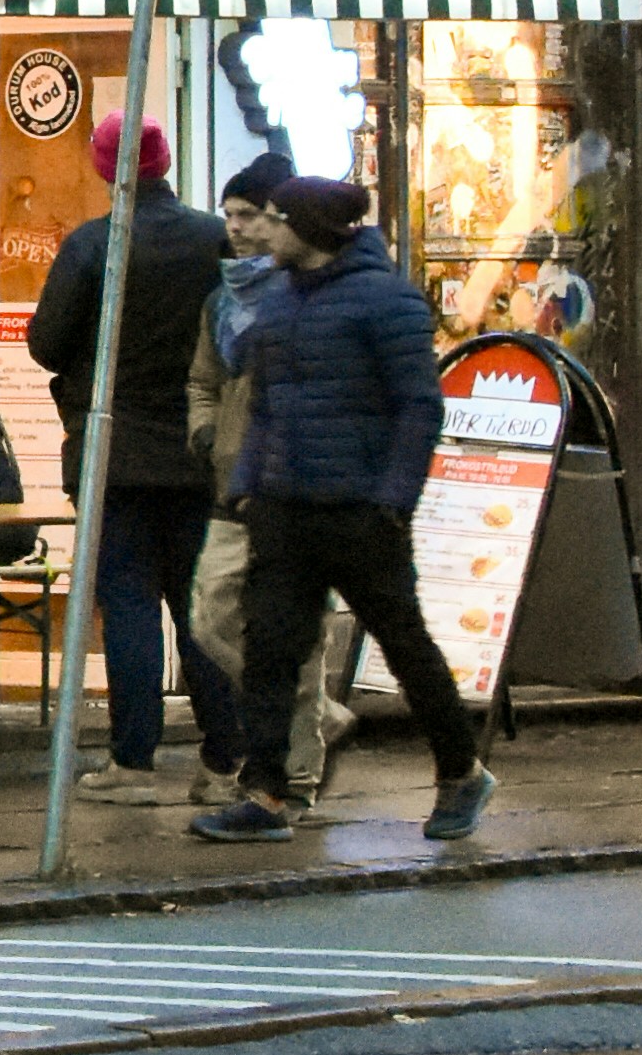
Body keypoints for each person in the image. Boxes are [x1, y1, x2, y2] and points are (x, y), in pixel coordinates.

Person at [193, 173, 487, 846]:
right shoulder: (281, 301)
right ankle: (266, 794)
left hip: (357, 508)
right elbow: (264, 402)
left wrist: (392, 500)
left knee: (404, 645)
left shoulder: (386, 301)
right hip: (284, 506)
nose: (260, 231)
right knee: (269, 650)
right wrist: (248, 482)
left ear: (309, 231)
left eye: (275, 220)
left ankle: (461, 772)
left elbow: (420, 405)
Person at [24, 112, 237, 781]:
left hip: (113, 455)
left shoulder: (95, 246)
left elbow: (47, 344)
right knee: (198, 604)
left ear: (101, 164)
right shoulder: (217, 240)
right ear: (165, 161)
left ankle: (134, 760)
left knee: (129, 605)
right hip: (200, 453)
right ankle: (228, 755)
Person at [188, 151, 348, 807]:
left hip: (294, 485)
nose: (238, 228)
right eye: (229, 215)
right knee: (208, 618)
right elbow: (202, 380)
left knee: (298, 638)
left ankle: (300, 772)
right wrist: (205, 432)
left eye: (250, 215)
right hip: (231, 486)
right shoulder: (222, 300)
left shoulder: (308, 293)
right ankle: (314, 717)